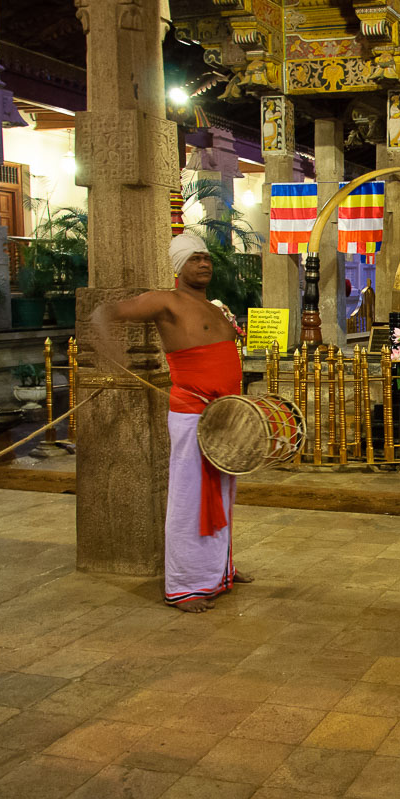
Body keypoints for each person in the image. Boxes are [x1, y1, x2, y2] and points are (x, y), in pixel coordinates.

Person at [91, 233, 252, 612]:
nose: (204, 264)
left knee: (223, 493)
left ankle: (218, 570)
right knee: (190, 497)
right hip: (193, 410)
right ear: (179, 266)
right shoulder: (166, 300)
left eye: (207, 257)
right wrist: (113, 355)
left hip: (224, 413)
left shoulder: (214, 307)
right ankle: (185, 585)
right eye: (195, 258)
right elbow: (104, 313)